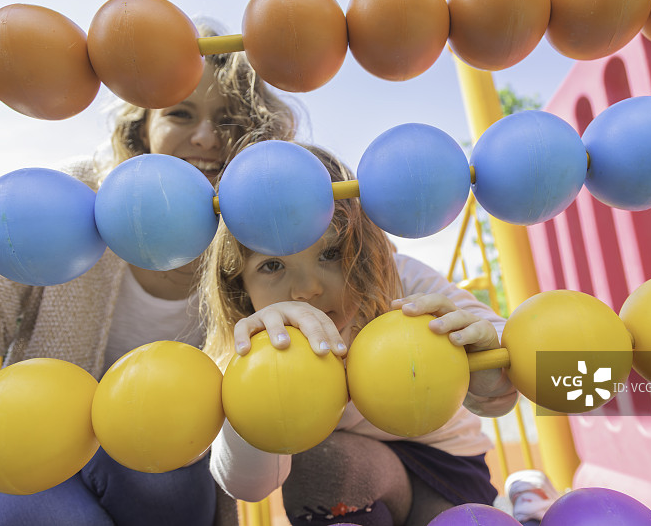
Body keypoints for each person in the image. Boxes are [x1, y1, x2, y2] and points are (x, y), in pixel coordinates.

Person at [0, 20, 295, 526]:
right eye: (181, 113)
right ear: (141, 129)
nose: (205, 137)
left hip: (169, 466)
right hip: (32, 450)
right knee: (21, 506)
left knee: (159, 478)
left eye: (228, 120)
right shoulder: (71, 202)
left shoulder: (267, 240)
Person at [200, 145, 520, 526]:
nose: (306, 289)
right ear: (241, 287)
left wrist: (491, 375)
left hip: (445, 466)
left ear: (364, 249)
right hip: (348, 479)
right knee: (321, 464)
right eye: (272, 265)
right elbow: (248, 486)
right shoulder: (248, 346)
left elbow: (505, 347)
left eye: (330, 253)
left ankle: (521, 496)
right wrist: (252, 397)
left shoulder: (403, 283)